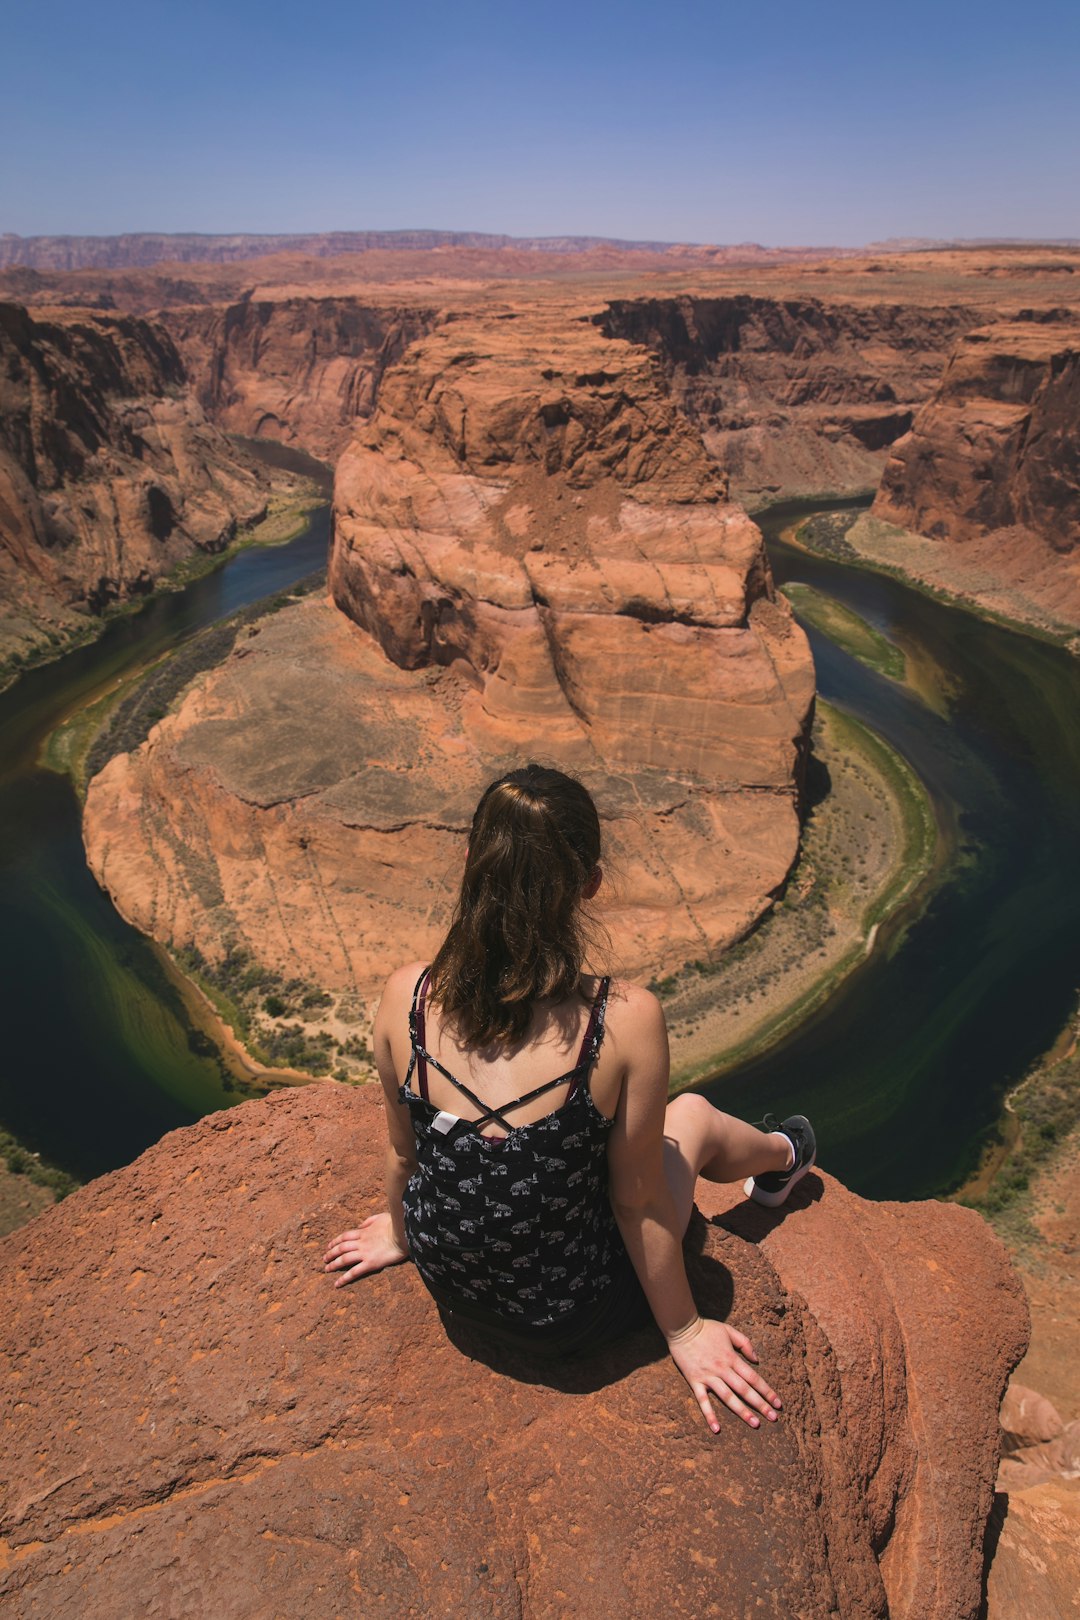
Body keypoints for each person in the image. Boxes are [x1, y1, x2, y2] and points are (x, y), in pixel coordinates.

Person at [324, 764, 816, 1434]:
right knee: (692, 1119)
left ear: (471, 863)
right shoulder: (623, 1019)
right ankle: (785, 1157)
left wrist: (403, 1231)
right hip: (569, 1313)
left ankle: (781, 1157)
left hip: (449, 1278)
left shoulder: (405, 996)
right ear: (590, 882)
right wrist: (684, 1330)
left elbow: (402, 1148)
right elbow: (635, 1199)